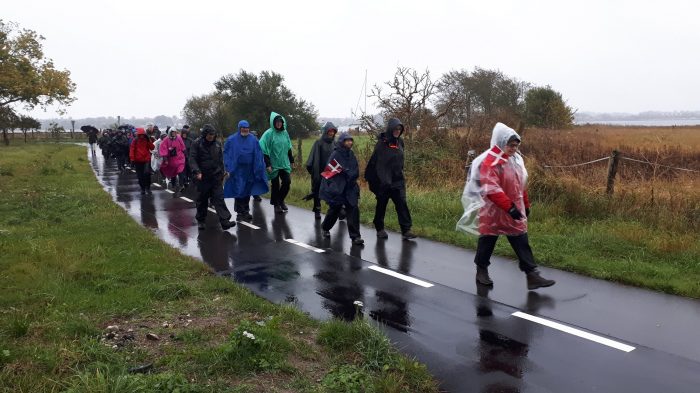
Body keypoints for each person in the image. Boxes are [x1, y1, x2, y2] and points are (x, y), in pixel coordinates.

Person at [457, 122, 555, 290]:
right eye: (510, 144)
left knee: (521, 240)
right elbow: (491, 188)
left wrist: (525, 203)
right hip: (493, 211)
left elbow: (520, 184)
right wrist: (509, 207)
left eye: (516, 145)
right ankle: (481, 270)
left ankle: (532, 275)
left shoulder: (516, 160)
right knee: (487, 241)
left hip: (513, 210)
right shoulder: (490, 161)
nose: (513, 148)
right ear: (501, 142)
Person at [364, 118, 417, 240]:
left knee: (402, 204)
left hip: (397, 180)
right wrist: (381, 181)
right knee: (381, 205)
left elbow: (400, 160)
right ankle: (379, 228)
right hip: (383, 182)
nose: (397, 131)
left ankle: (406, 230)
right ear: (390, 129)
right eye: (395, 129)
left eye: (399, 129)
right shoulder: (381, 144)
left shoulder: (400, 142)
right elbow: (377, 163)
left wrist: (400, 174)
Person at [189, 124, 235, 230]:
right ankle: (201, 220)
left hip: (215, 176)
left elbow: (220, 160)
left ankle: (225, 221)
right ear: (205, 134)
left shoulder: (217, 144)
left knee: (219, 198)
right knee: (202, 200)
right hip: (202, 177)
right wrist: (197, 171)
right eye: (209, 134)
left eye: (213, 134)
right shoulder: (197, 144)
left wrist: (223, 172)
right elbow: (192, 159)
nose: (211, 136)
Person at [320, 132, 364, 245]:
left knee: (353, 210)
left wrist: (351, 175)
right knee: (334, 210)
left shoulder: (351, 154)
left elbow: (355, 169)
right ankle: (325, 227)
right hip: (339, 188)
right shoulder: (336, 154)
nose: (349, 142)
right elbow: (329, 172)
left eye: (351, 140)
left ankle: (355, 237)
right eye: (347, 140)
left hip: (350, 187)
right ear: (342, 142)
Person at [223, 120, 269, 222]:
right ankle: (239, 212)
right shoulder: (231, 140)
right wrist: (228, 168)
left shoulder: (253, 139)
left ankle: (246, 211)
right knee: (239, 191)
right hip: (237, 170)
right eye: (243, 128)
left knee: (248, 191)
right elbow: (226, 154)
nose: (245, 129)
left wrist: (259, 168)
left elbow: (258, 154)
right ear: (239, 128)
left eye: (247, 128)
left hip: (249, 170)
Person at [259, 112, 294, 214]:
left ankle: (280, 200)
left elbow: (288, 147)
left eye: (280, 122)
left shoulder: (285, 133)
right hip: (273, 164)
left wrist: (291, 160)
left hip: (284, 163)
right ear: (273, 122)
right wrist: (268, 164)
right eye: (277, 122)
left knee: (287, 182)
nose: (279, 123)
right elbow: (263, 149)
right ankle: (276, 205)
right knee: (275, 185)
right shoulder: (269, 134)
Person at [305, 122, 338, 219]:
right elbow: (313, 159)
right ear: (326, 131)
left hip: (331, 172)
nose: (331, 133)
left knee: (334, 192)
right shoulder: (318, 143)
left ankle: (337, 210)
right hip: (320, 171)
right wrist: (314, 172)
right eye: (330, 131)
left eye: (333, 131)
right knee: (318, 192)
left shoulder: (335, 143)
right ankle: (317, 210)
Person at [159, 128, 187, 193]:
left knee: (181, 171)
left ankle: (181, 185)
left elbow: (183, 146)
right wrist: (165, 158)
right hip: (171, 160)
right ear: (170, 132)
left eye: (175, 132)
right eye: (173, 132)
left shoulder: (179, 138)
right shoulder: (166, 140)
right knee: (173, 173)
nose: (174, 133)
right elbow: (163, 148)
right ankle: (173, 185)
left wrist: (185, 153)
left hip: (180, 158)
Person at [129, 128, 155, 195]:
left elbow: (152, 147)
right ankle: (142, 189)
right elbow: (132, 150)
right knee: (140, 176)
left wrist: (149, 140)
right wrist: (132, 159)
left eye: (143, 135)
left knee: (147, 174)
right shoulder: (135, 141)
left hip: (146, 160)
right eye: (140, 135)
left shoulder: (146, 139)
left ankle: (148, 188)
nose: (142, 136)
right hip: (138, 161)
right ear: (138, 135)